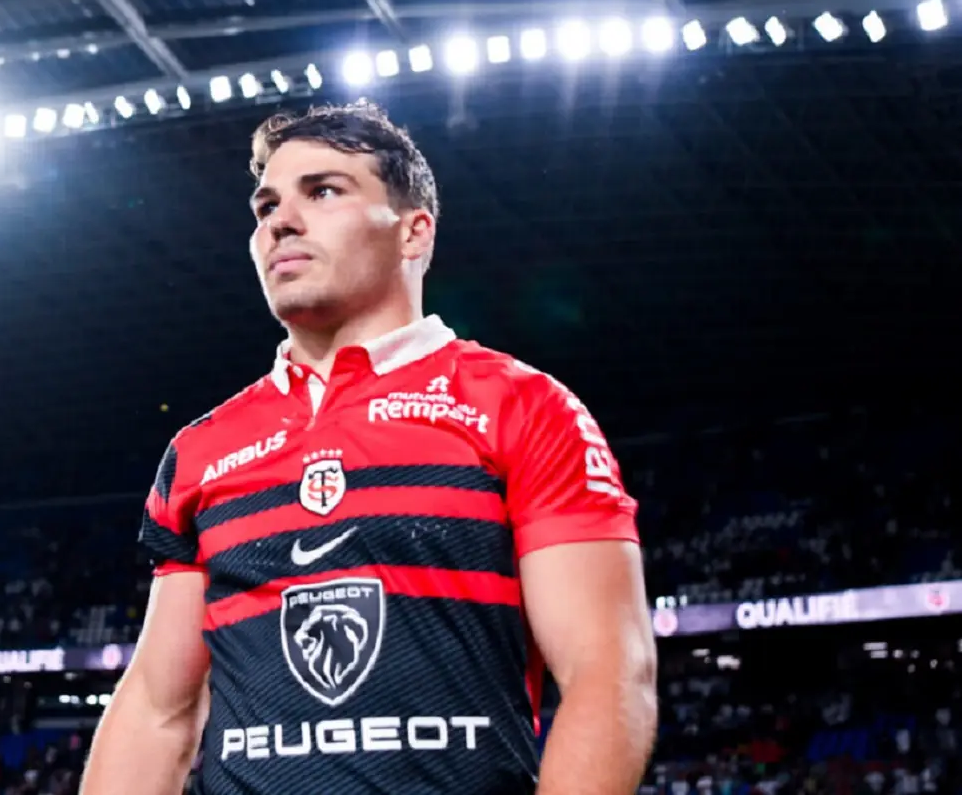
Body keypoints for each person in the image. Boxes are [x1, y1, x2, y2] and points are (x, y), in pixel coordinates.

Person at [81, 102, 657, 795]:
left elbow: (606, 673)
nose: (280, 221)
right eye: (266, 206)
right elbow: (157, 710)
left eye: (323, 191)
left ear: (413, 233)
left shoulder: (522, 407)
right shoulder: (202, 448)